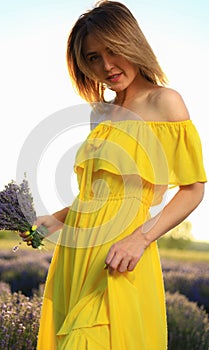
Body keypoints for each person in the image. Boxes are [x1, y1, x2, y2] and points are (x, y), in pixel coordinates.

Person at [35, 1, 207, 349]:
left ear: (133, 43)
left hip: (121, 257)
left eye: (113, 51)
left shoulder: (166, 101)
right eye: (93, 57)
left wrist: (140, 239)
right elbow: (99, 195)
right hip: (77, 257)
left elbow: (193, 189)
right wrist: (53, 220)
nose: (106, 66)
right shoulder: (101, 113)